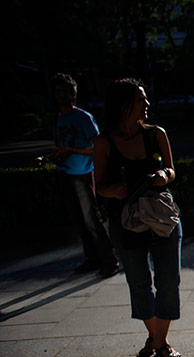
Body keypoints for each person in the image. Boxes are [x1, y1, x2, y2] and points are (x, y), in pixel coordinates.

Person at [93, 78, 182, 357]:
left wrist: (163, 176)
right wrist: (113, 190)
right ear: (123, 105)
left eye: (145, 99)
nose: (147, 104)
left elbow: (171, 169)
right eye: (140, 100)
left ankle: (158, 340)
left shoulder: (156, 133)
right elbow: (97, 186)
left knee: (169, 280)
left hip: (161, 217)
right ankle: (160, 341)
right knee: (139, 282)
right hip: (126, 221)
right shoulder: (104, 141)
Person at [41, 73, 120, 277]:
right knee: (77, 220)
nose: (61, 96)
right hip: (64, 173)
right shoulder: (58, 119)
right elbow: (62, 147)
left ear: (73, 93)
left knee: (91, 218)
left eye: (65, 91)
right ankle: (92, 258)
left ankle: (109, 260)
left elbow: (98, 148)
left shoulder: (83, 117)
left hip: (82, 174)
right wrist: (49, 158)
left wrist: (71, 151)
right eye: (58, 92)